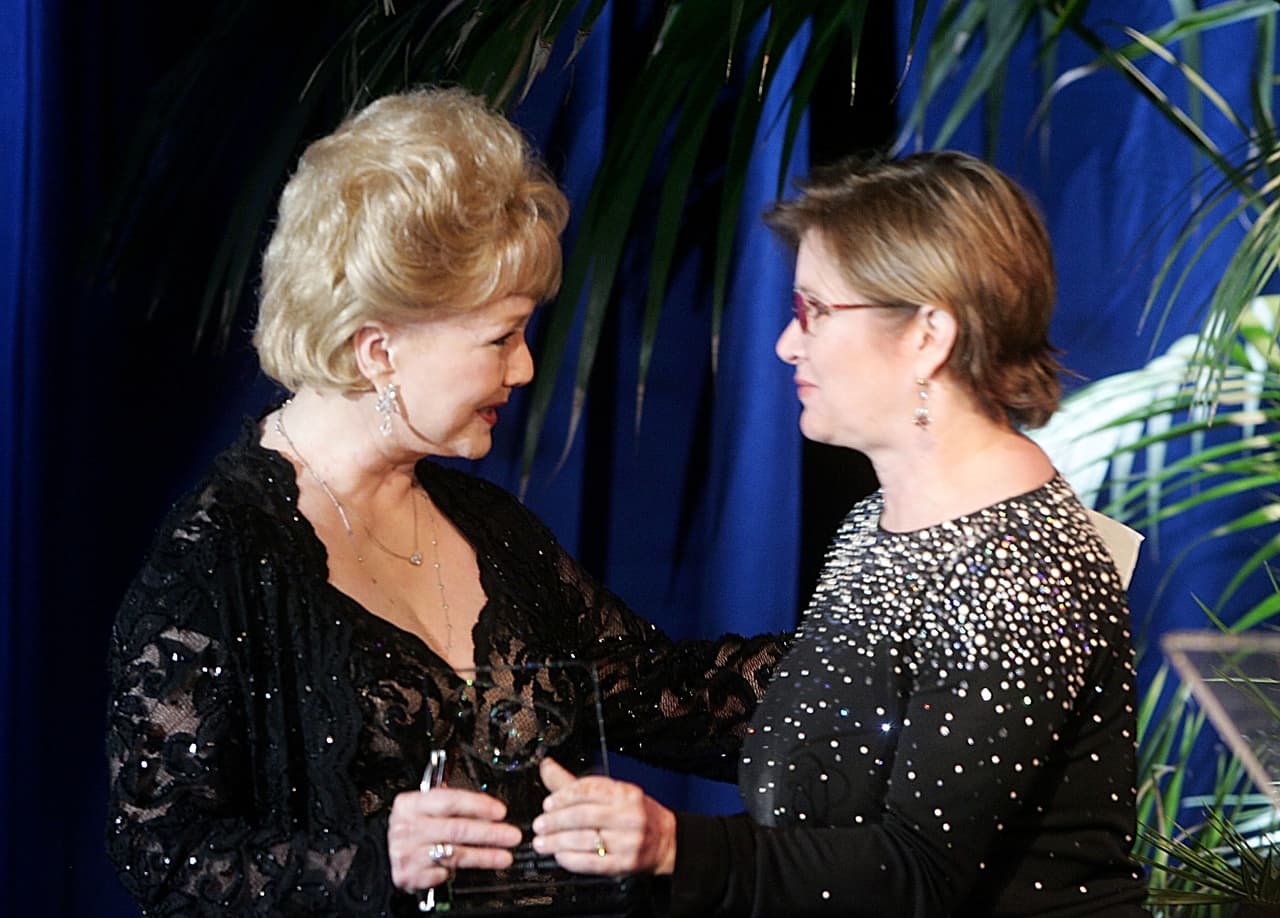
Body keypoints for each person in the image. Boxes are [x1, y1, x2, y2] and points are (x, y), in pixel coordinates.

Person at [104, 87, 787, 916]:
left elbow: (663, 693)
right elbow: (163, 856)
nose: (526, 368)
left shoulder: (487, 527)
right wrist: (373, 859)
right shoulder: (217, 558)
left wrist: (889, 651)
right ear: (378, 348)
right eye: (500, 337)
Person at [529, 152, 1151, 916]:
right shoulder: (880, 518)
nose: (789, 345)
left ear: (928, 334)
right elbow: (823, 760)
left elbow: (914, 871)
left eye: (814, 311)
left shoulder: (1019, 566)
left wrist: (672, 846)